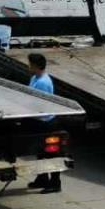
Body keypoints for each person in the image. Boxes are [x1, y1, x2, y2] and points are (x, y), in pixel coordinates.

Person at [26, 52, 61, 193]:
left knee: (50, 154)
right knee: (40, 152)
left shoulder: (43, 83)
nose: (28, 66)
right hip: (38, 119)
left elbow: (40, 104)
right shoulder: (35, 78)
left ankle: (54, 182)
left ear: (35, 66)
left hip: (45, 122)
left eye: (30, 64)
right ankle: (42, 178)